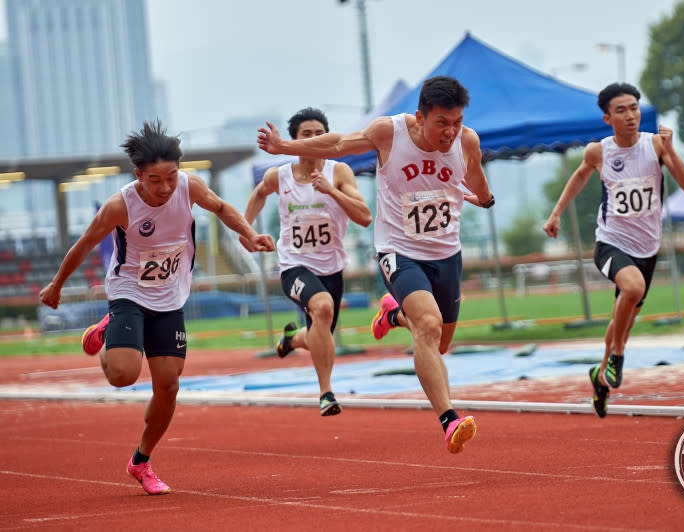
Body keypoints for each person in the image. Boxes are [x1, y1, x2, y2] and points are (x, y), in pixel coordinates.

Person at [257, 76, 495, 454]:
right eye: (441, 123)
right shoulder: (390, 132)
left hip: (446, 253)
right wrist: (283, 146)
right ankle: (449, 420)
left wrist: (483, 197)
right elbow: (337, 144)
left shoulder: (467, 140)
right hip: (398, 250)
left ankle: (394, 316)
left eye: (456, 122)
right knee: (429, 328)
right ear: (420, 117)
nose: (450, 132)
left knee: (440, 343)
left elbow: (477, 177)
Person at [39, 120, 275, 495]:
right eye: (155, 179)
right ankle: (108, 335)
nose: (165, 187)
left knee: (168, 385)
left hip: (170, 296)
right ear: (138, 175)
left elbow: (222, 207)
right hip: (129, 292)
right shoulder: (122, 205)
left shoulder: (189, 187)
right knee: (123, 376)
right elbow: (85, 243)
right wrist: (56, 285)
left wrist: (249, 234)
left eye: (171, 176)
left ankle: (141, 461)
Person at [543, 82, 684, 418]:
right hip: (611, 242)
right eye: (621, 110)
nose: (630, 116)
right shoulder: (599, 151)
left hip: (648, 247)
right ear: (607, 118)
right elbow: (580, 177)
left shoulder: (656, 145)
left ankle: (600, 376)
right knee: (632, 288)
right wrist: (555, 214)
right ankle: (617, 354)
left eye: (634, 108)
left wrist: (670, 153)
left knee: (622, 313)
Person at [242, 107, 371, 416]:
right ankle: (326, 392)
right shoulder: (280, 175)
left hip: (331, 267)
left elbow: (364, 217)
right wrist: (246, 230)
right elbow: (259, 193)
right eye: (306, 135)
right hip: (294, 266)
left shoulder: (339, 173)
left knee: (318, 332)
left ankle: (291, 339)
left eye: (319, 134)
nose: (313, 140)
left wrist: (331, 192)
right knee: (324, 307)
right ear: (294, 140)